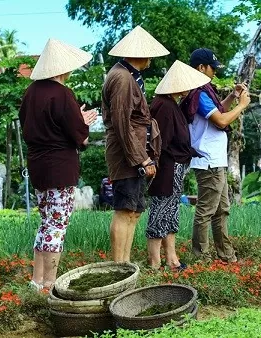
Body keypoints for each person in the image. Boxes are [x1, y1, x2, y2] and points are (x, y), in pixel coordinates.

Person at [19, 39, 97, 292]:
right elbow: (80, 136)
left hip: (38, 165)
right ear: (64, 68)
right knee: (57, 225)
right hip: (60, 167)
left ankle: (36, 281)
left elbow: (34, 126)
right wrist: (83, 121)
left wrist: (76, 119)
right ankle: (50, 283)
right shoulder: (62, 93)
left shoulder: (30, 93)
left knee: (45, 222)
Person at [102, 26, 168, 262]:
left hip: (136, 150)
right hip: (126, 154)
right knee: (124, 210)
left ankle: (125, 263)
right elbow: (122, 122)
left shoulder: (129, 75)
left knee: (134, 211)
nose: (151, 59)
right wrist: (141, 157)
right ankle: (119, 265)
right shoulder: (121, 78)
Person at [181, 48, 251, 263]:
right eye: (212, 68)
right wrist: (242, 105)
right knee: (207, 210)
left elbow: (218, 110)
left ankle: (226, 254)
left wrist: (232, 96)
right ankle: (200, 257)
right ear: (201, 68)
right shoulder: (199, 94)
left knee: (221, 210)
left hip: (214, 160)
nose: (214, 72)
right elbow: (221, 120)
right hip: (208, 160)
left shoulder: (202, 92)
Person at [146, 60, 211, 270]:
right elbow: (160, 142)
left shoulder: (170, 104)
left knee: (171, 211)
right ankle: (155, 262)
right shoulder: (163, 106)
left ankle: (171, 259)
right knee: (160, 211)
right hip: (166, 167)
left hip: (175, 166)